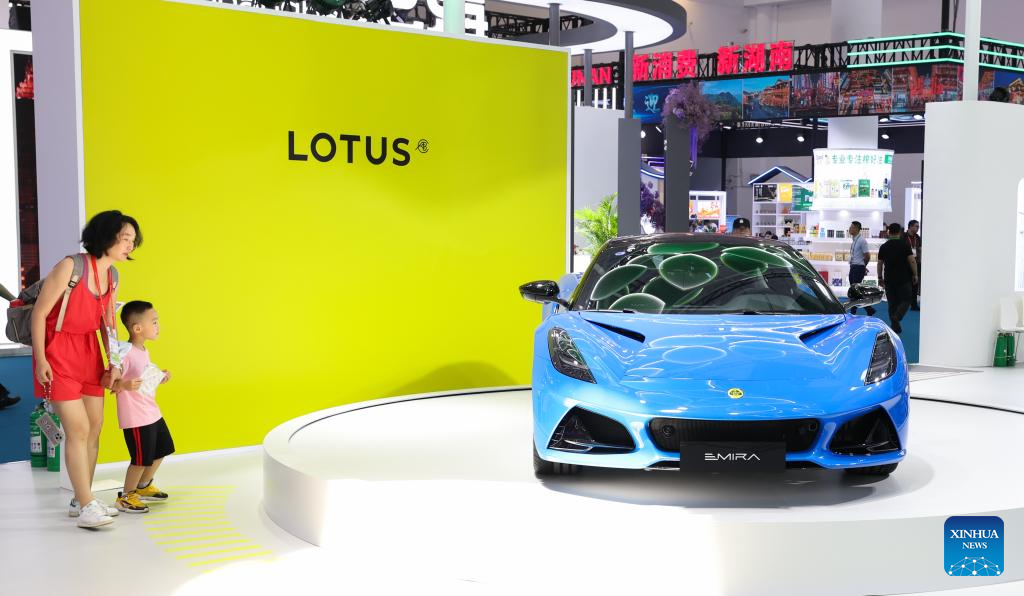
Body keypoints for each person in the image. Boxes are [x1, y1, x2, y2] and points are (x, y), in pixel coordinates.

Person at [31, 210, 141, 528]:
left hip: (90, 352)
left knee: (94, 427)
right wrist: (41, 359)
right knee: (77, 429)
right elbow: (39, 314)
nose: (130, 246)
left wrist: (114, 362)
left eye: (133, 241)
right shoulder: (71, 266)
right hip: (58, 350)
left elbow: (108, 323)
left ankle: (82, 498)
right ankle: (87, 505)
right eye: (125, 238)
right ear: (106, 236)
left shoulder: (113, 276)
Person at [111, 300, 173, 513]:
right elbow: (110, 382)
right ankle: (126, 497)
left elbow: (142, 377)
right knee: (140, 459)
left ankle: (143, 486)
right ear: (137, 328)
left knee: (163, 449)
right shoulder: (125, 351)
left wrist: (158, 376)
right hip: (136, 417)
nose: (158, 326)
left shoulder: (143, 350)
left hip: (151, 412)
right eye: (154, 322)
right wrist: (123, 385)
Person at [878, 222, 919, 334]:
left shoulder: (884, 246)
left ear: (889, 232)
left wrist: (880, 277)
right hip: (903, 278)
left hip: (889, 278)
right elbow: (912, 260)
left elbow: (880, 263)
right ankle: (897, 317)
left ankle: (894, 325)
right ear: (900, 232)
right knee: (907, 299)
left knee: (892, 303)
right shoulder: (904, 245)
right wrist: (915, 274)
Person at [847, 221, 875, 316]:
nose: (850, 229)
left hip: (858, 268)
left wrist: (863, 266)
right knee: (855, 290)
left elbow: (867, 256)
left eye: (851, 227)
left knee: (854, 290)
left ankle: (854, 311)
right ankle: (869, 309)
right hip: (854, 267)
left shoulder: (862, 240)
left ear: (856, 229)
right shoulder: (855, 240)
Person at [903, 220, 922, 310]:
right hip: (905, 264)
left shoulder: (917, 237)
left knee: (915, 284)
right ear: (910, 226)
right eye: (916, 226)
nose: (918, 228)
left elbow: (920, 249)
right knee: (905, 284)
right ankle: (903, 303)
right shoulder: (903, 237)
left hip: (916, 263)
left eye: (918, 226)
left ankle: (914, 304)